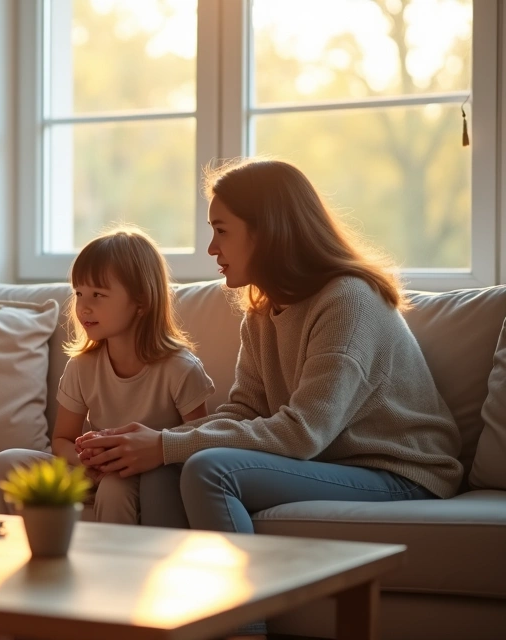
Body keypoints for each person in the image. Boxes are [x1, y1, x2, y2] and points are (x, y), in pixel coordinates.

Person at [78, 158, 463, 639]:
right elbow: (244, 409)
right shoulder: (262, 313)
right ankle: (169, 624)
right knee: (161, 471)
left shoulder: (348, 301)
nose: (211, 247)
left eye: (221, 230)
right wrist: (155, 445)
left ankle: (244, 632)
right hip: (332, 460)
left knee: (209, 469)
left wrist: (166, 444)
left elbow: (303, 431)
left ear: (267, 232)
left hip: (399, 471)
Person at [0, 227, 214, 523]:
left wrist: (125, 464)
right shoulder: (82, 366)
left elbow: (197, 444)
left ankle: (113, 555)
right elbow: (62, 439)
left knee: (115, 487)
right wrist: (87, 462)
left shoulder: (180, 368)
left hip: (146, 477)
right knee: (5, 464)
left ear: (141, 301)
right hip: (92, 472)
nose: (84, 306)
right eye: (79, 293)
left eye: (98, 295)